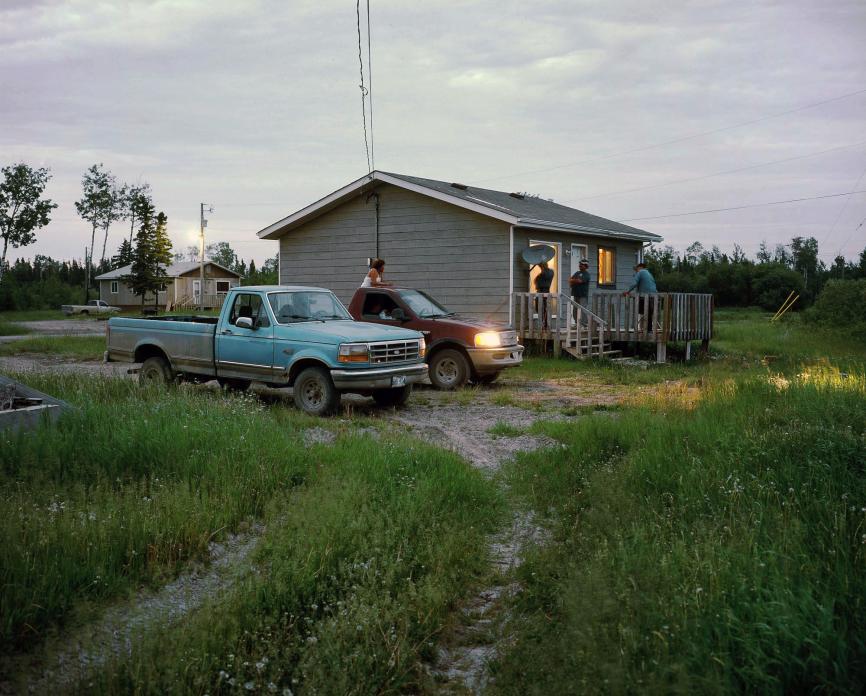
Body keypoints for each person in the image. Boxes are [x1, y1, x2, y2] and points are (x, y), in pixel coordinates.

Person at [623, 262, 658, 331]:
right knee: (648, 314)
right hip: (653, 296)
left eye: (636, 269)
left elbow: (634, 283)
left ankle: (638, 328)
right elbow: (653, 284)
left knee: (639, 311)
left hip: (644, 296)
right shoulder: (649, 274)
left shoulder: (640, 272)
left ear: (640, 267)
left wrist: (627, 291)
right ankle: (649, 330)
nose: (636, 271)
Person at [534, 261, 554, 330]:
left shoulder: (550, 272)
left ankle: (546, 325)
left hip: (545, 291)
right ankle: (543, 323)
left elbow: (545, 275)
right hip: (539, 291)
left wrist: (543, 269)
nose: (540, 267)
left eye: (541, 266)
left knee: (545, 308)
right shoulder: (542, 273)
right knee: (538, 308)